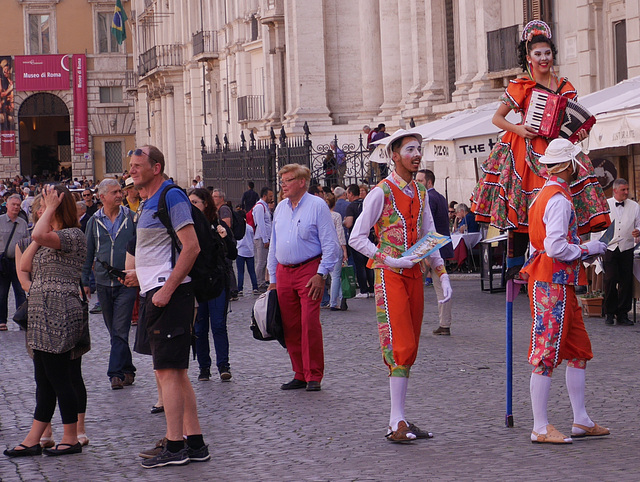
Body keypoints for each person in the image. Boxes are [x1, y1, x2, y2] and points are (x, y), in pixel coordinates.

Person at [471, 20, 609, 274]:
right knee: (524, 203)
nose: (544, 58)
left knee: (563, 203)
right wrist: (520, 129)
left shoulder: (566, 88)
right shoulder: (521, 86)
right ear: (529, 57)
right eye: (538, 54)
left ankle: (562, 255)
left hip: (558, 148)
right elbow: (497, 119)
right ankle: (516, 265)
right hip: (526, 148)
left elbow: (574, 125)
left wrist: (580, 132)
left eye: (547, 53)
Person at [349, 129, 452, 443]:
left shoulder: (420, 191)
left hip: (414, 275)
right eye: (410, 149)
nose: (417, 154)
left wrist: (441, 271)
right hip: (390, 275)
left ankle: (400, 417)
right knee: (399, 345)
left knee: (411, 347)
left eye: (418, 149)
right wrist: (388, 260)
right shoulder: (380, 192)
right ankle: (396, 422)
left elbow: (429, 234)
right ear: (394, 155)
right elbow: (357, 237)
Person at [123, 145, 209, 468]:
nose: (132, 170)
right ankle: (195, 442)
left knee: (168, 373)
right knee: (177, 373)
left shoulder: (171, 197)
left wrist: (165, 290)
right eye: (130, 165)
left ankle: (175, 445)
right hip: (156, 290)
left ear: (156, 167)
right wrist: (138, 275)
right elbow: (159, 252)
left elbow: (191, 247)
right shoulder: (146, 202)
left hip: (169, 295)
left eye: (138, 165)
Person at [520, 138, 610, 444]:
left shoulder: (544, 194)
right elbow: (556, 246)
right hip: (551, 281)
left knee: (577, 350)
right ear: (569, 165)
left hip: (556, 280)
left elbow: (539, 242)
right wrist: (588, 247)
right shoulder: (557, 199)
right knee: (546, 352)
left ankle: (580, 420)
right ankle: (540, 426)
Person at [4, 184, 88, 457]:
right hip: (40, 310)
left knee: (60, 377)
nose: (40, 210)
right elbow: (25, 266)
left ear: (57, 206)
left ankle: (70, 436)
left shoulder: (73, 236)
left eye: (47, 205)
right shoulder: (45, 238)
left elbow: (39, 235)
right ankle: (34, 437)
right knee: (44, 378)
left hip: (60, 310)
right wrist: (42, 231)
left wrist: (49, 214)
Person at [267, 163, 340, 392]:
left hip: (309, 269)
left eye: (287, 180)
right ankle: (299, 372)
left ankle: (314, 374)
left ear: (301, 182)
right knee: (290, 325)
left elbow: (331, 244)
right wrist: (272, 280)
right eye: (282, 181)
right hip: (283, 271)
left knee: (309, 323)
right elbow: (274, 245)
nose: (283, 185)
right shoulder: (280, 208)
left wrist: (321, 274)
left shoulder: (317, 206)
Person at [82, 179, 137, 390]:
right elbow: (87, 254)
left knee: (120, 328)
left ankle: (114, 373)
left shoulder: (132, 218)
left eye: (120, 191)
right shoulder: (94, 222)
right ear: (102, 197)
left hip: (126, 281)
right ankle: (128, 368)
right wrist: (85, 280)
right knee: (114, 329)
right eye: (114, 192)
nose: (119, 195)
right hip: (104, 282)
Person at [188, 188, 235, 382]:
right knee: (199, 328)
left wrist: (224, 238)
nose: (191, 207)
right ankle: (204, 367)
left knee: (218, 325)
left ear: (205, 204)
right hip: (197, 282)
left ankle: (223, 365)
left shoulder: (217, 225)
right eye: (189, 203)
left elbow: (233, 253)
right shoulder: (187, 227)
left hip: (216, 282)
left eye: (195, 202)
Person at [415, 169, 455, 335]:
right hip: (440, 246)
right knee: (440, 287)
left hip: (430, 247)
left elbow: (426, 226)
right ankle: (444, 324)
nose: (416, 183)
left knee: (416, 287)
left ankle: (412, 323)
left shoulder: (428, 198)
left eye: (420, 180)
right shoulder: (440, 196)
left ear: (428, 182)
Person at [601, 178, 639, 326]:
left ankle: (623, 313)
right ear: (615, 190)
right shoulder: (605, 205)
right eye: (623, 190)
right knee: (610, 280)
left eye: (627, 189)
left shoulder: (635, 206)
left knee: (626, 281)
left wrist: (638, 231)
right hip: (610, 247)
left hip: (627, 246)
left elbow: (639, 224)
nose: (626, 192)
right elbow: (598, 227)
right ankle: (609, 313)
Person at [0, 193, 28, 331]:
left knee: (20, 291)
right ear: (7, 205)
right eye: (14, 205)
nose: (16, 207)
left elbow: (27, 242)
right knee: (2, 292)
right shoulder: (0, 221)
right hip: (3, 263)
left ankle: (22, 319)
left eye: (18, 205)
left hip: (19, 262)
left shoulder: (23, 223)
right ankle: (1, 321)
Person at [344, 184, 375, 299]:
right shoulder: (366, 204)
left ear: (351, 194)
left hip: (357, 238)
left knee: (360, 265)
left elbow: (349, 223)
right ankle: (372, 288)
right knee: (369, 264)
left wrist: (344, 222)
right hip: (369, 236)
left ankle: (363, 290)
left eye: (348, 193)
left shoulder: (351, 207)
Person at [212, 189, 238, 300]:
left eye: (215, 196)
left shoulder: (224, 209)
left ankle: (232, 290)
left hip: (226, 241)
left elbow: (226, 225)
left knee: (228, 266)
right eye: (212, 196)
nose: (213, 199)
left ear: (221, 198)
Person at [325, 192, 348, 311]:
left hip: (325, 248)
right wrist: (344, 249)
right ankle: (334, 302)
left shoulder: (322, 216)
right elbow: (340, 233)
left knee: (332, 275)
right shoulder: (336, 216)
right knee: (336, 276)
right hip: (336, 246)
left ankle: (341, 296)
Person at [252, 187, 273, 290]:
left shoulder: (265, 206)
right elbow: (261, 224)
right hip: (261, 238)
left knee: (265, 261)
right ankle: (259, 283)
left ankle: (262, 281)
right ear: (264, 196)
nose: (271, 198)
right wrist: (265, 239)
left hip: (266, 237)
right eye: (270, 196)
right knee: (261, 261)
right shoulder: (260, 207)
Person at [236, 218, 259, 296]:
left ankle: (240, 289)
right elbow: (252, 237)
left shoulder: (237, 228)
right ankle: (255, 287)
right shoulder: (249, 228)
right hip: (250, 251)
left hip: (240, 251)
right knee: (252, 271)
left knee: (240, 272)